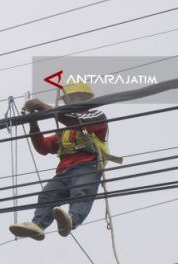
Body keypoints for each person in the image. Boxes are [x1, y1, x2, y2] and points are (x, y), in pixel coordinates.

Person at [9, 81, 112, 241]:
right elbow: (43, 147)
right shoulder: (64, 131)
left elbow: (77, 120)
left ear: (84, 98)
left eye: (72, 98)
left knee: (81, 192)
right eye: (67, 99)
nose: (68, 102)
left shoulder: (96, 116)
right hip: (64, 172)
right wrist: (33, 121)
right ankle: (38, 225)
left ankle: (70, 221)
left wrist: (45, 108)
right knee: (47, 194)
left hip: (87, 166)